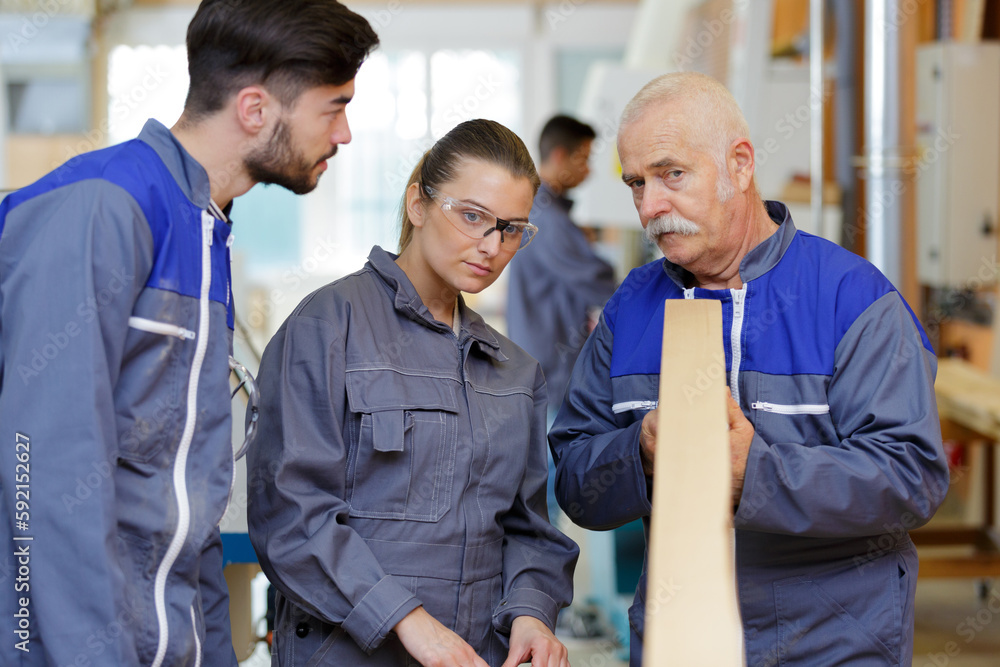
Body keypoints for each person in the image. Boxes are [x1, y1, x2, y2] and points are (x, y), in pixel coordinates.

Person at [0, 1, 377, 665]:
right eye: (334, 106)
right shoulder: (102, 206)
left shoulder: (206, 229)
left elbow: (187, 493)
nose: (344, 133)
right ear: (255, 108)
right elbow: (42, 471)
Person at [549, 71, 949, 666]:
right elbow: (577, 485)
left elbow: (911, 479)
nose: (650, 206)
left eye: (672, 174)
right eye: (637, 183)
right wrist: (640, 451)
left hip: (836, 642)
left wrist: (752, 472)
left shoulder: (853, 300)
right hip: (679, 640)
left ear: (739, 166)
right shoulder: (629, 311)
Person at [247, 118, 579, 667]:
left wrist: (531, 613)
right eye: (472, 216)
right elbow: (292, 517)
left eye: (512, 228)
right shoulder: (328, 329)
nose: (491, 246)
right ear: (417, 204)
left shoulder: (515, 372)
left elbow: (528, 529)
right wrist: (410, 622)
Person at [506, 114, 615, 414]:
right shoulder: (548, 220)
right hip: (551, 374)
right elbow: (595, 280)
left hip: (546, 368)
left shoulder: (546, 212)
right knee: (555, 458)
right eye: (584, 158)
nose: (589, 170)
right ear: (559, 156)